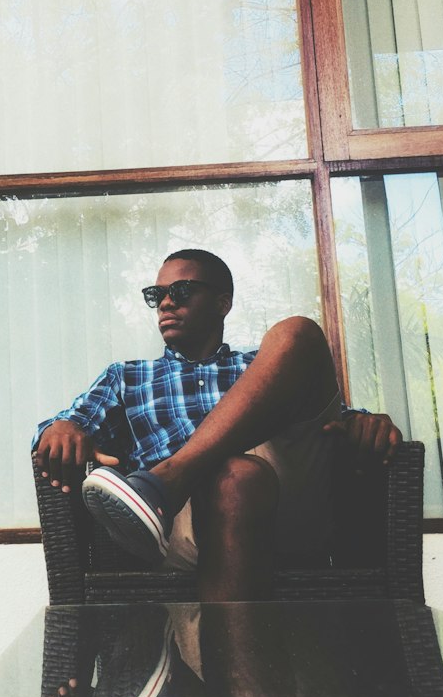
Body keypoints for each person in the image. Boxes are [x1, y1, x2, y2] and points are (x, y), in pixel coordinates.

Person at [33, 249, 402, 602]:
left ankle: (163, 483)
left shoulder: (262, 365)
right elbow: (63, 428)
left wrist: (362, 422)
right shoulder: (127, 377)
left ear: (222, 303)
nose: (165, 303)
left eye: (180, 291)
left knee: (297, 332)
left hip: (288, 503)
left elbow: (332, 416)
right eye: (155, 295)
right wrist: (61, 426)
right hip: (185, 524)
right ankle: (165, 491)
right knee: (237, 474)